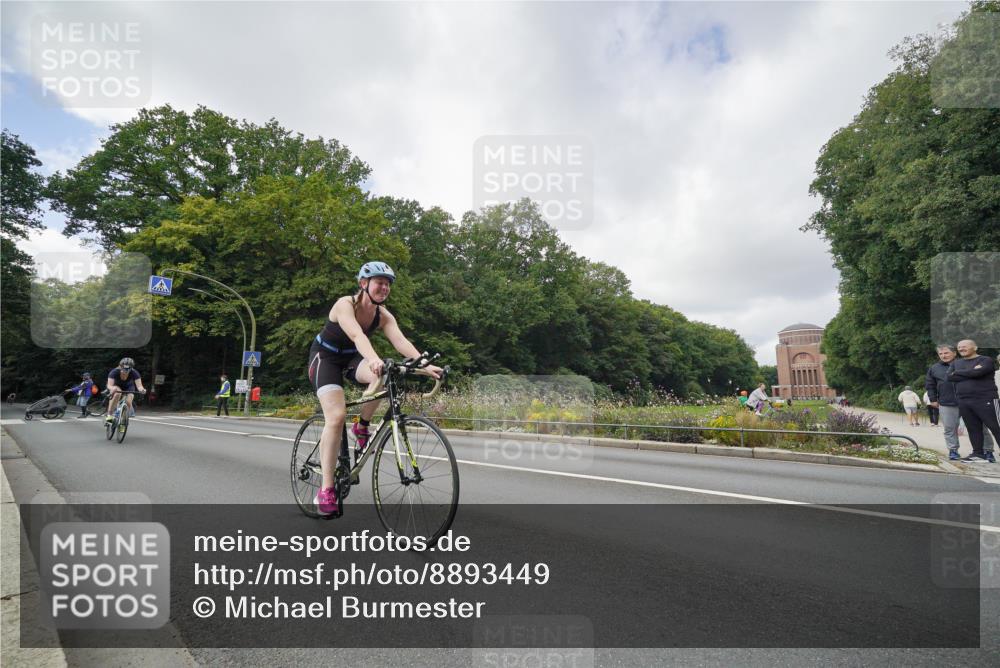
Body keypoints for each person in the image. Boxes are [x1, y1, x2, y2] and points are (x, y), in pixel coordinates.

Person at [307, 262, 442, 516]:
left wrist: (427, 367)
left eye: (388, 284)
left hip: (351, 359)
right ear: (363, 284)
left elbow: (401, 341)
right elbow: (358, 336)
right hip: (325, 359)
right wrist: (373, 359)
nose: (384, 287)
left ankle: (362, 425)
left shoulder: (383, 315)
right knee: (335, 417)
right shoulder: (344, 304)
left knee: (383, 375)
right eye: (379, 282)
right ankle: (325, 489)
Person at [949, 339, 999, 463]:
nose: (961, 349)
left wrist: (958, 373)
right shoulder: (956, 362)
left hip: (986, 399)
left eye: (964, 346)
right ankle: (978, 454)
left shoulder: (985, 360)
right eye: (959, 347)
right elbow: (949, 376)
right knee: (973, 428)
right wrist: (971, 371)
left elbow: (980, 372)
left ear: (975, 347)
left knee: (996, 427)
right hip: (964, 400)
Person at [926, 344, 963, 460]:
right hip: (946, 402)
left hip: (968, 400)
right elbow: (930, 385)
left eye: (946, 353)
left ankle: (985, 451)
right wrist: (933, 399)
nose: (943, 355)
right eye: (940, 354)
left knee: (978, 427)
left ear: (954, 353)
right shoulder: (934, 368)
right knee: (949, 428)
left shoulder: (964, 364)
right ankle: (953, 451)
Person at [105, 358, 146, 424]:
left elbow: (139, 386)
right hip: (116, 386)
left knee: (128, 401)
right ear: (120, 366)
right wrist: (112, 388)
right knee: (117, 394)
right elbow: (109, 385)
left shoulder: (135, 373)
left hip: (129, 386)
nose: (125, 371)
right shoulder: (114, 372)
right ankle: (109, 415)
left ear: (131, 368)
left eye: (128, 369)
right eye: (123, 368)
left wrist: (142, 390)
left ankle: (123, 420)